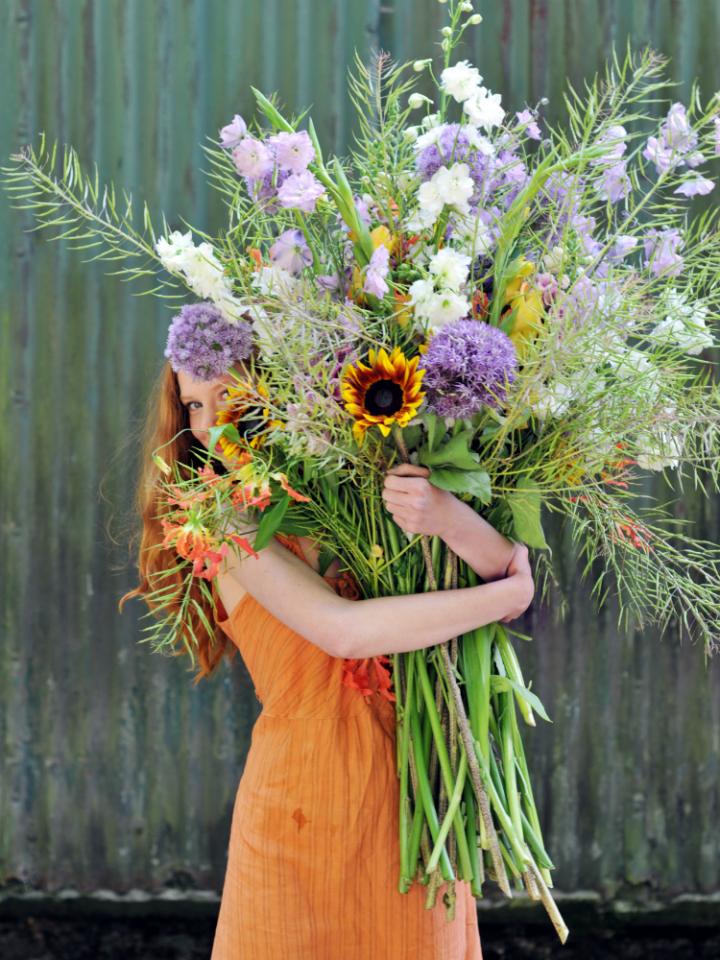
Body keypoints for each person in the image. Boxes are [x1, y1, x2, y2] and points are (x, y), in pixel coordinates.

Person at [123, 355, 535, 960]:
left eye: (228, 396)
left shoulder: (351, 496)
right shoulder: (222, 523)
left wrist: (447, 515)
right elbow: (344, 632)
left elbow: (500, 562)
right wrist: (509, 596)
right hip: (297, 814)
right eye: (194, 406)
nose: (212, 426)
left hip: (413, 801)